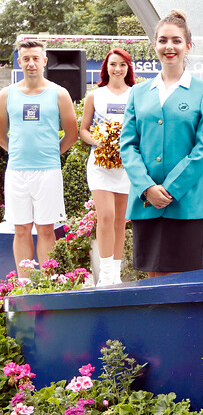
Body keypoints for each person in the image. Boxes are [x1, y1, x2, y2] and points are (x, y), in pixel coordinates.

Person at [120, 10, 203, 277]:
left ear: (188, 46)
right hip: (147, 202)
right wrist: (147, 187)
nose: (169, 47)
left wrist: (171, 188)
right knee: (152, 277)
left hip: (187, 201)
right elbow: (128, 146)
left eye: (176, 40)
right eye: (163, 40)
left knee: (183, 281)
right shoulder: (138, 92)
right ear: (155, 45)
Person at [0, 39, 78, 278]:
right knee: (21, 229)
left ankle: (47, 284)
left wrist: (51, 155)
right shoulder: (6, 94)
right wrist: (17, 153)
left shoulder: (59, 93)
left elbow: (72, 134)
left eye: (36, 58)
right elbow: (1, 134)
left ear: (44, 61)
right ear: (19, 61)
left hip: (48, 172)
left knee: (46, 230)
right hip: (16, 173)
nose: (31, 63)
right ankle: (24, 286)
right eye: (26, 59)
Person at [79, 48, 135, 286]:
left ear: (128, 68)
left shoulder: (136, 94)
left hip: (125, 166)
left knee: (120, 220)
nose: (117, 69)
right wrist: (100, 141)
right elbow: (83, 130)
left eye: (122, 64)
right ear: (106, 67)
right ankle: (105, 275)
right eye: (113, 64)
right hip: (100, 165)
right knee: (106, 215)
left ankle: (115, 274)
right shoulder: (95, 95)